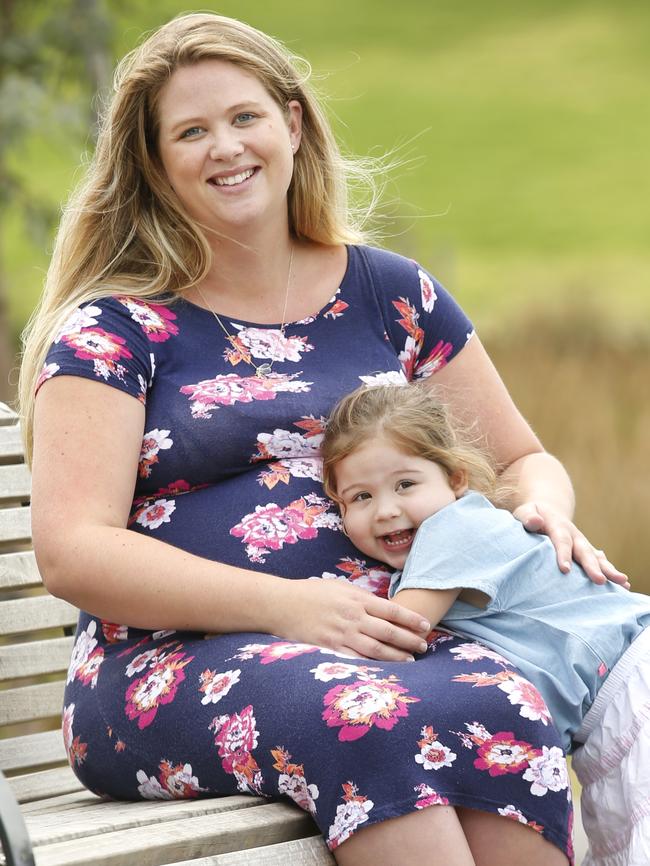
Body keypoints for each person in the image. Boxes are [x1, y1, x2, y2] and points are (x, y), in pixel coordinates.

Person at [18, 11, 625, 866]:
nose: (225, 147)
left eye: (244, 117)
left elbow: (523, 460)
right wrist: (293, 610)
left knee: (503, 706)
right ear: (155, 165)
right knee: (369, 718)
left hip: (386, 641)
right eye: (190, 132)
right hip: (164, 668)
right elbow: (73, 552)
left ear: (293, 123)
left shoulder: (391, 294)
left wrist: (544, 509)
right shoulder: (116, 331)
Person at [321, 381, 649, 866]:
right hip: (608, 716)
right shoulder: (427, 560)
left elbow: (398, 631)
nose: (386, 509)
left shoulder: (456, 528)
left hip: (634, 686)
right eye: (361, 496)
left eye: (405, 484)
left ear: (455, 479)